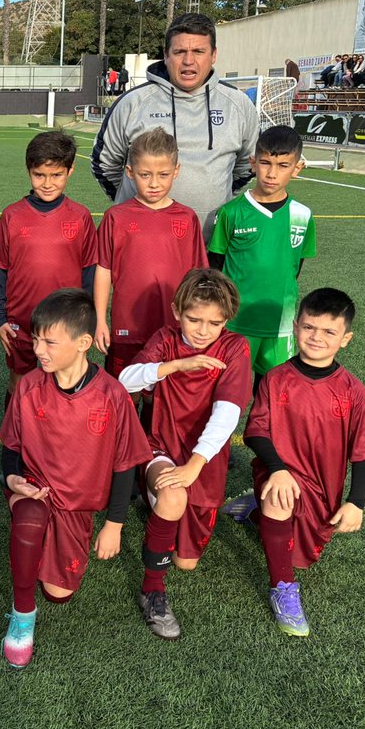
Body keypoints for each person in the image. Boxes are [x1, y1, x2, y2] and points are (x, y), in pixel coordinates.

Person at [0, 289, 151, 669]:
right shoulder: (29, 386)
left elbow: (124, 464)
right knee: (29, 519)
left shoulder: (112, 395)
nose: (38, 349)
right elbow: (11, 446)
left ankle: (42, 550)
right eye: (36, 339)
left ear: (83, 343)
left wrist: (114, 525)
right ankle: (22, 614)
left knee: (59, 594)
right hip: (35, 488)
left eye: (49, 342)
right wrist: (13, 478)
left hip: (77, 505)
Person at [226, 288, 365, 636]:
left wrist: (356, 502)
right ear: (296, 326)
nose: (317, 337)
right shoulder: (276, 378)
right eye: (309, 327)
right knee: (280, 498)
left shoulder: (352, 390)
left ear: (345, 339)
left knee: (304, 553)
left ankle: (253, 510)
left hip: (322, 487)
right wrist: (277, 469)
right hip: (278, 473)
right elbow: (256, 432)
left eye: (329, 331)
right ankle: (282, 589)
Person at [118, 269, 252, 641]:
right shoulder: (165, 339)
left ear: (227, 320)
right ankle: (152, 591)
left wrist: (196, 463)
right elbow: (125, 381)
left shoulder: (234, 347)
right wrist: (175, 365)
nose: (203, 330)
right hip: (160, 445)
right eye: (194, 319)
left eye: (215, 323)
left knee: (186, 562)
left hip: (204, 460)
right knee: (173, 496)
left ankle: (248, 509)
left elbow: (228, 412)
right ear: (177, 311)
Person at [91, 12, 258, 239]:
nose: (189, 61)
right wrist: (136, 202)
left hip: (211, 244)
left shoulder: (238, 104)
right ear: (166, 55)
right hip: (141, 241)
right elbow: (104, 164)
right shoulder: (132, 103)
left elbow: (248, 165)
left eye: (198, 51)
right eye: (179, 52)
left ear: (214, 55)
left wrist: (217, 195)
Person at [0, 131, 98, 406]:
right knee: (19, 383)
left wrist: (88, 317)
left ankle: (56, 431)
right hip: (20, 322)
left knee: (64, 381)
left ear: (70, 171)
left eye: (56, 175)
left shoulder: (81, 216)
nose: (47, 184)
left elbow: (89, 273)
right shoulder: (12, 215)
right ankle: (15, 433)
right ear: (29, 171)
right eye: (39, 175)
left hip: (66, 321)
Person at [94, 128, 207, 379]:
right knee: (125, 388)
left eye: (163, 174)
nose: (154, 183)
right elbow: (103, 271)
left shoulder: (187, 218)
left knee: (165, 392)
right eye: (145, 175)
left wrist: (198, 322)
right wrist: (100, 319)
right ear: (130, 172)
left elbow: (198, 276)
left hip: (174, 326)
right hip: (127, 326)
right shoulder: (116, 217)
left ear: (176, 171)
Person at [209, 125, 316, 388]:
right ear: (253, 163)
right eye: (266, 163)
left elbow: (294, 267)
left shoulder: (303, 215)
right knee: (227, 391)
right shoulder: (231, 212)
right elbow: (215, 269)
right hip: (236, 322)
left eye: (283, 165)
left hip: (279, 322)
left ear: (297, 168)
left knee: (272, 394)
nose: (272, 173)